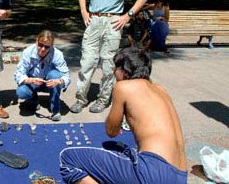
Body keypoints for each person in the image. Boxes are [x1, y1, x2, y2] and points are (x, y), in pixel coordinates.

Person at [60, 47, 187, 184]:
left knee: (68, 158)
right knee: (124, 151)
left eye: (115, 68)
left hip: (154, 172)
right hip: (180, 175)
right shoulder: (161, 90)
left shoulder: (123, 87)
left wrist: (118, 119)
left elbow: (111, 131)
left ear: (124, 70)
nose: (114, 73)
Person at [70, 0, 150, 114]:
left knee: (108, 64)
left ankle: (103, 99)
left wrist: (128, 15)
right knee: (87, 63)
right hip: (94, 21)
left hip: (113, 22)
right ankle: (80, 99)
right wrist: (84, 11)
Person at [14, 30, 71, 121]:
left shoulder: (57, 54)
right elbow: (18, 74)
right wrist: (31, 80)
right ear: (37, 41)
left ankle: (55, 109)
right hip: (33, 82)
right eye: (40, 45)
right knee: (21, 92)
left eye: (47, 47)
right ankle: (33, 100)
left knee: (55, 75)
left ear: (51, 46)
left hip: (50, 83)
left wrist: (59, 81)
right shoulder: (28, 52)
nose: (43, 49)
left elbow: (67, 76)